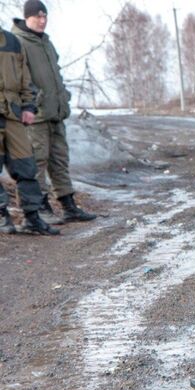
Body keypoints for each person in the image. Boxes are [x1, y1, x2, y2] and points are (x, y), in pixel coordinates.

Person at [11, 0, 96, 224]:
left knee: (60, 160)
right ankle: (38, 210)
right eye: (37, 17)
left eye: (45, 17)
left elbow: (54, 75)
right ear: (26, 17)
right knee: (35, 162)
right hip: (34, 116)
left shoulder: (45, 43)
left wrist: (63, 97)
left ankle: (68, 205)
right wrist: (32, 102)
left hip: (55, 113)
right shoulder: (17, 43)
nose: (42, 21)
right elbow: (16, 80)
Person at [0, 20, 58, 235]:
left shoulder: (12, 41)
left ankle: (32, 217)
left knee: (26, 166)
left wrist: (29, 106)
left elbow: (25, 79)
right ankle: (2, 215)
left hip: (14, 115)